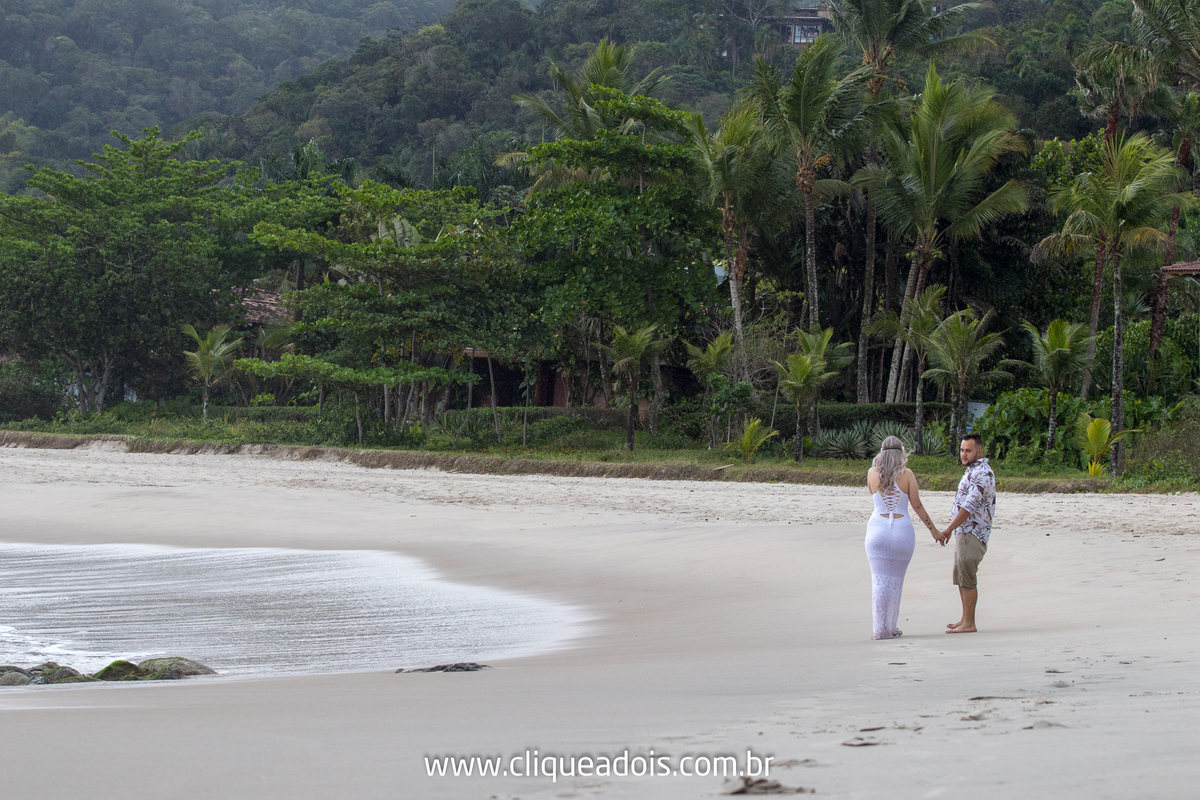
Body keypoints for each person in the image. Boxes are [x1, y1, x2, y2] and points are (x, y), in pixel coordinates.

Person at [865, 435, 941, 640]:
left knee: (878, 580)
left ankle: (878, 630)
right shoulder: (907, 475)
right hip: (901, 530)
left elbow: (873, 492)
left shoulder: (872, 472)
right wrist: (934, 531)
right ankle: (891, 627)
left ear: (881, 453)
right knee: (896, 581)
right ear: (901, 454)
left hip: (877, 528)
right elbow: (916, 505)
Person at [939, 433, 996, 634]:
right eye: (962, 450)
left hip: (973, 532)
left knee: (968, 576)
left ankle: (969, 623)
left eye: (968, 450)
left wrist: (948, 529)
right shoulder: (972, 470)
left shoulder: (982, 473)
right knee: (961, 575)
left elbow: (969, 506)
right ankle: (964, 619)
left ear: (979, 451)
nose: (963, 454)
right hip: (964, 531)